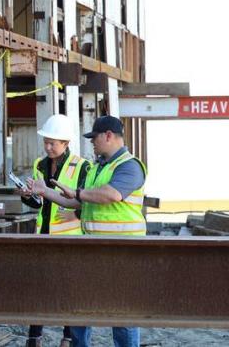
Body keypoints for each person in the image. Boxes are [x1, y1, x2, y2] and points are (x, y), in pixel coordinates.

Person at [28, 115, 148, 347]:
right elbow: (78, 203)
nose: (92, 142)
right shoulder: (97, 168)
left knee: (122, 315)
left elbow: (110, 195)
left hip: (123, 254)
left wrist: (78, 193)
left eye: (94, 138)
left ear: (109, 136)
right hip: (92, 249)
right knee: (79, 309)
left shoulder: (129, 166)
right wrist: (43, 191)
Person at [17, 114, 91, 347]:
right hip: (44, 236)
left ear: (66, 143)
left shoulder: (82, 166)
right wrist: (27, 197)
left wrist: (77, 213)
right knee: (39, 289)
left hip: (70, 240)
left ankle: (68, 338)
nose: (48, 147)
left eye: (53, 143)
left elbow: (88, 200)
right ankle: (34, 337)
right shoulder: (40, 165)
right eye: (46, 142)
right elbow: (39, 204)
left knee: (69, 292)